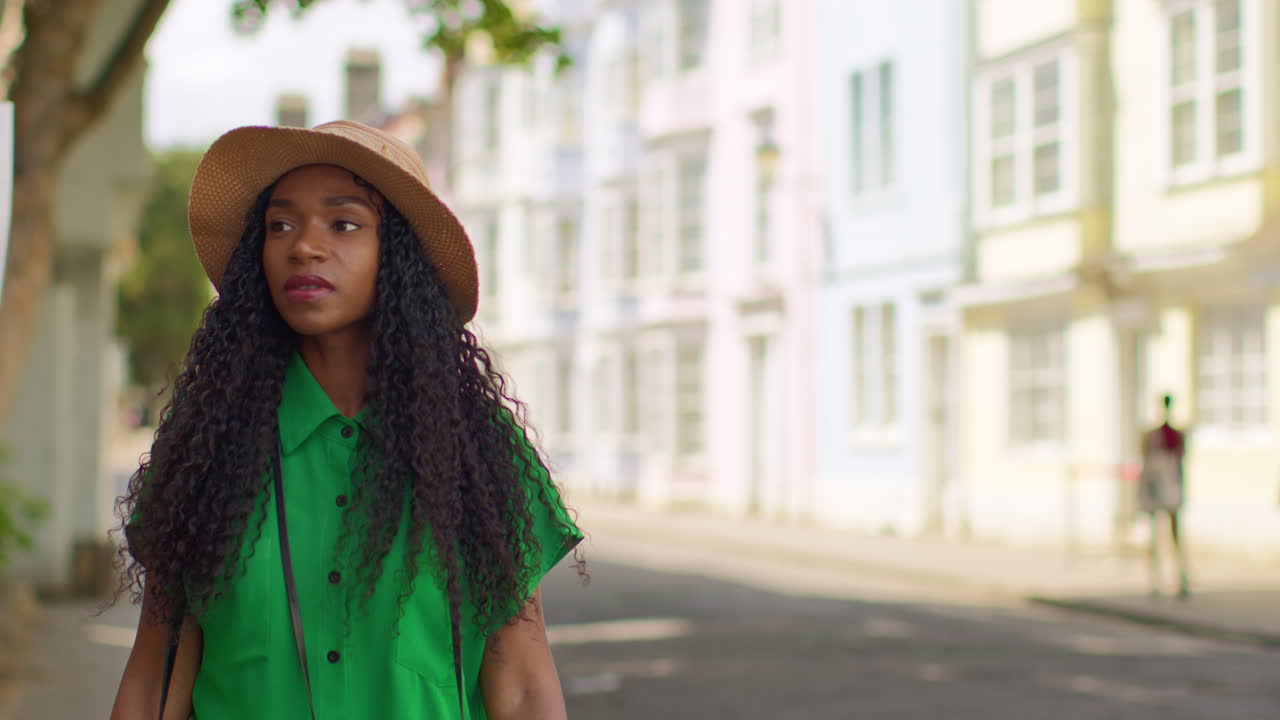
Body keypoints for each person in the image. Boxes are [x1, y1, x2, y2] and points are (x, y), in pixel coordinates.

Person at [108, 121, 585, 720]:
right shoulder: (205, 452)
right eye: (279, 225)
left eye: (344, 223)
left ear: (400, 258)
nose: (303, 245)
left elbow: (521, 684)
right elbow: (155, 677)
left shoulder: (480, 452)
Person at [1137, 393, 1189, 599]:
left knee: (1173, 534)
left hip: (1169, 484)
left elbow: (1180, 460)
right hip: (1156, 484)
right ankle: (1155, 580)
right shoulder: (1152, 436)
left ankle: (1178, 578)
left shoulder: (1175, 434)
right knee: (1154, 535)